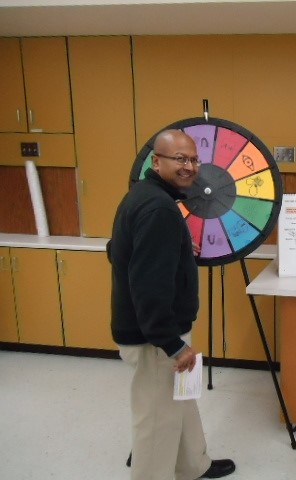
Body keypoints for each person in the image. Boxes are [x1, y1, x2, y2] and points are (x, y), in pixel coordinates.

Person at [108, 129, 236, 480]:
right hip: (153, 337)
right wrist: (172, 344)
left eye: (194, 159)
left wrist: (177, 249)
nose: (190, 166)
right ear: (157, 160)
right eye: (179, 158)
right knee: (156, 419)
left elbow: (118, 250)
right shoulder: (159, 209)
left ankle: (194, 465)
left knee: (179, 400)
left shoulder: (143, 196)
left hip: (155, 329)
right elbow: (148, 285)